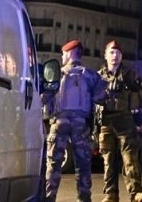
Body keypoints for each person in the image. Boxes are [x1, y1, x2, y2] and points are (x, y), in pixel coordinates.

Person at [44, 40, 108, 202]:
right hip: (81, 124)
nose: (62, 56)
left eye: (64, 53)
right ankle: (84, 199)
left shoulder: (57, 73)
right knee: (83, 165)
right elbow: (101, 98)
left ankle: (49, 198)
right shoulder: (91, 75)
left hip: (58, 122)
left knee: (53, 164)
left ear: (70, 52)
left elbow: (45, 97)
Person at [97, 40, 142, 202]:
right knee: (108, 161)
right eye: (112, 52)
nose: (115, 56)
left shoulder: (130, 76)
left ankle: (136, 193)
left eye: (118, 53)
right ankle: (110, 194)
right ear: (105, 55)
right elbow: (91, 102)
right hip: (106, 123)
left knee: (130, 158)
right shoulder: (98, 77)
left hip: (125, 121)